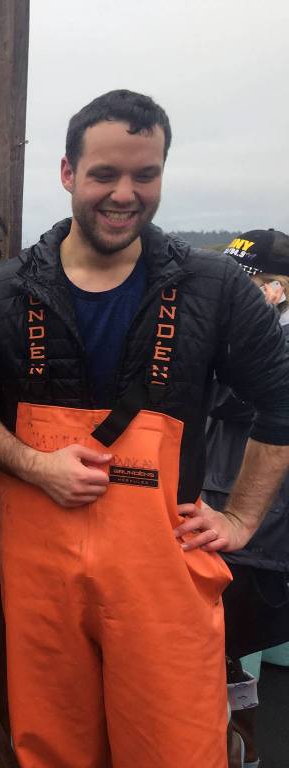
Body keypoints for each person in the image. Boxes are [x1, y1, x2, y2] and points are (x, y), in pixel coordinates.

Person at [0, 89, 289, 767]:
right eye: (105, 174)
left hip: (161, 575)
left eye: (145, 174)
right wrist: (35, 464)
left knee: (176, 748)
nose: (124, 193)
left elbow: (279, 403)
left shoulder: (215, 289)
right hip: (42, 580)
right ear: (68, 172)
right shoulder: (1, 290)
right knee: (52, 747)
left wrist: (242, 518)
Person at [205, 229, 289, 768]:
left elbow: (223, 398)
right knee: (226, 656)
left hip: (256, 538)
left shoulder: (270, 349)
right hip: (226, 521)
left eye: (247, 285)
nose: (228, 297)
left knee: (217, 650)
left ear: (278, 290)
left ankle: (239, 752)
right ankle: (240, 751)